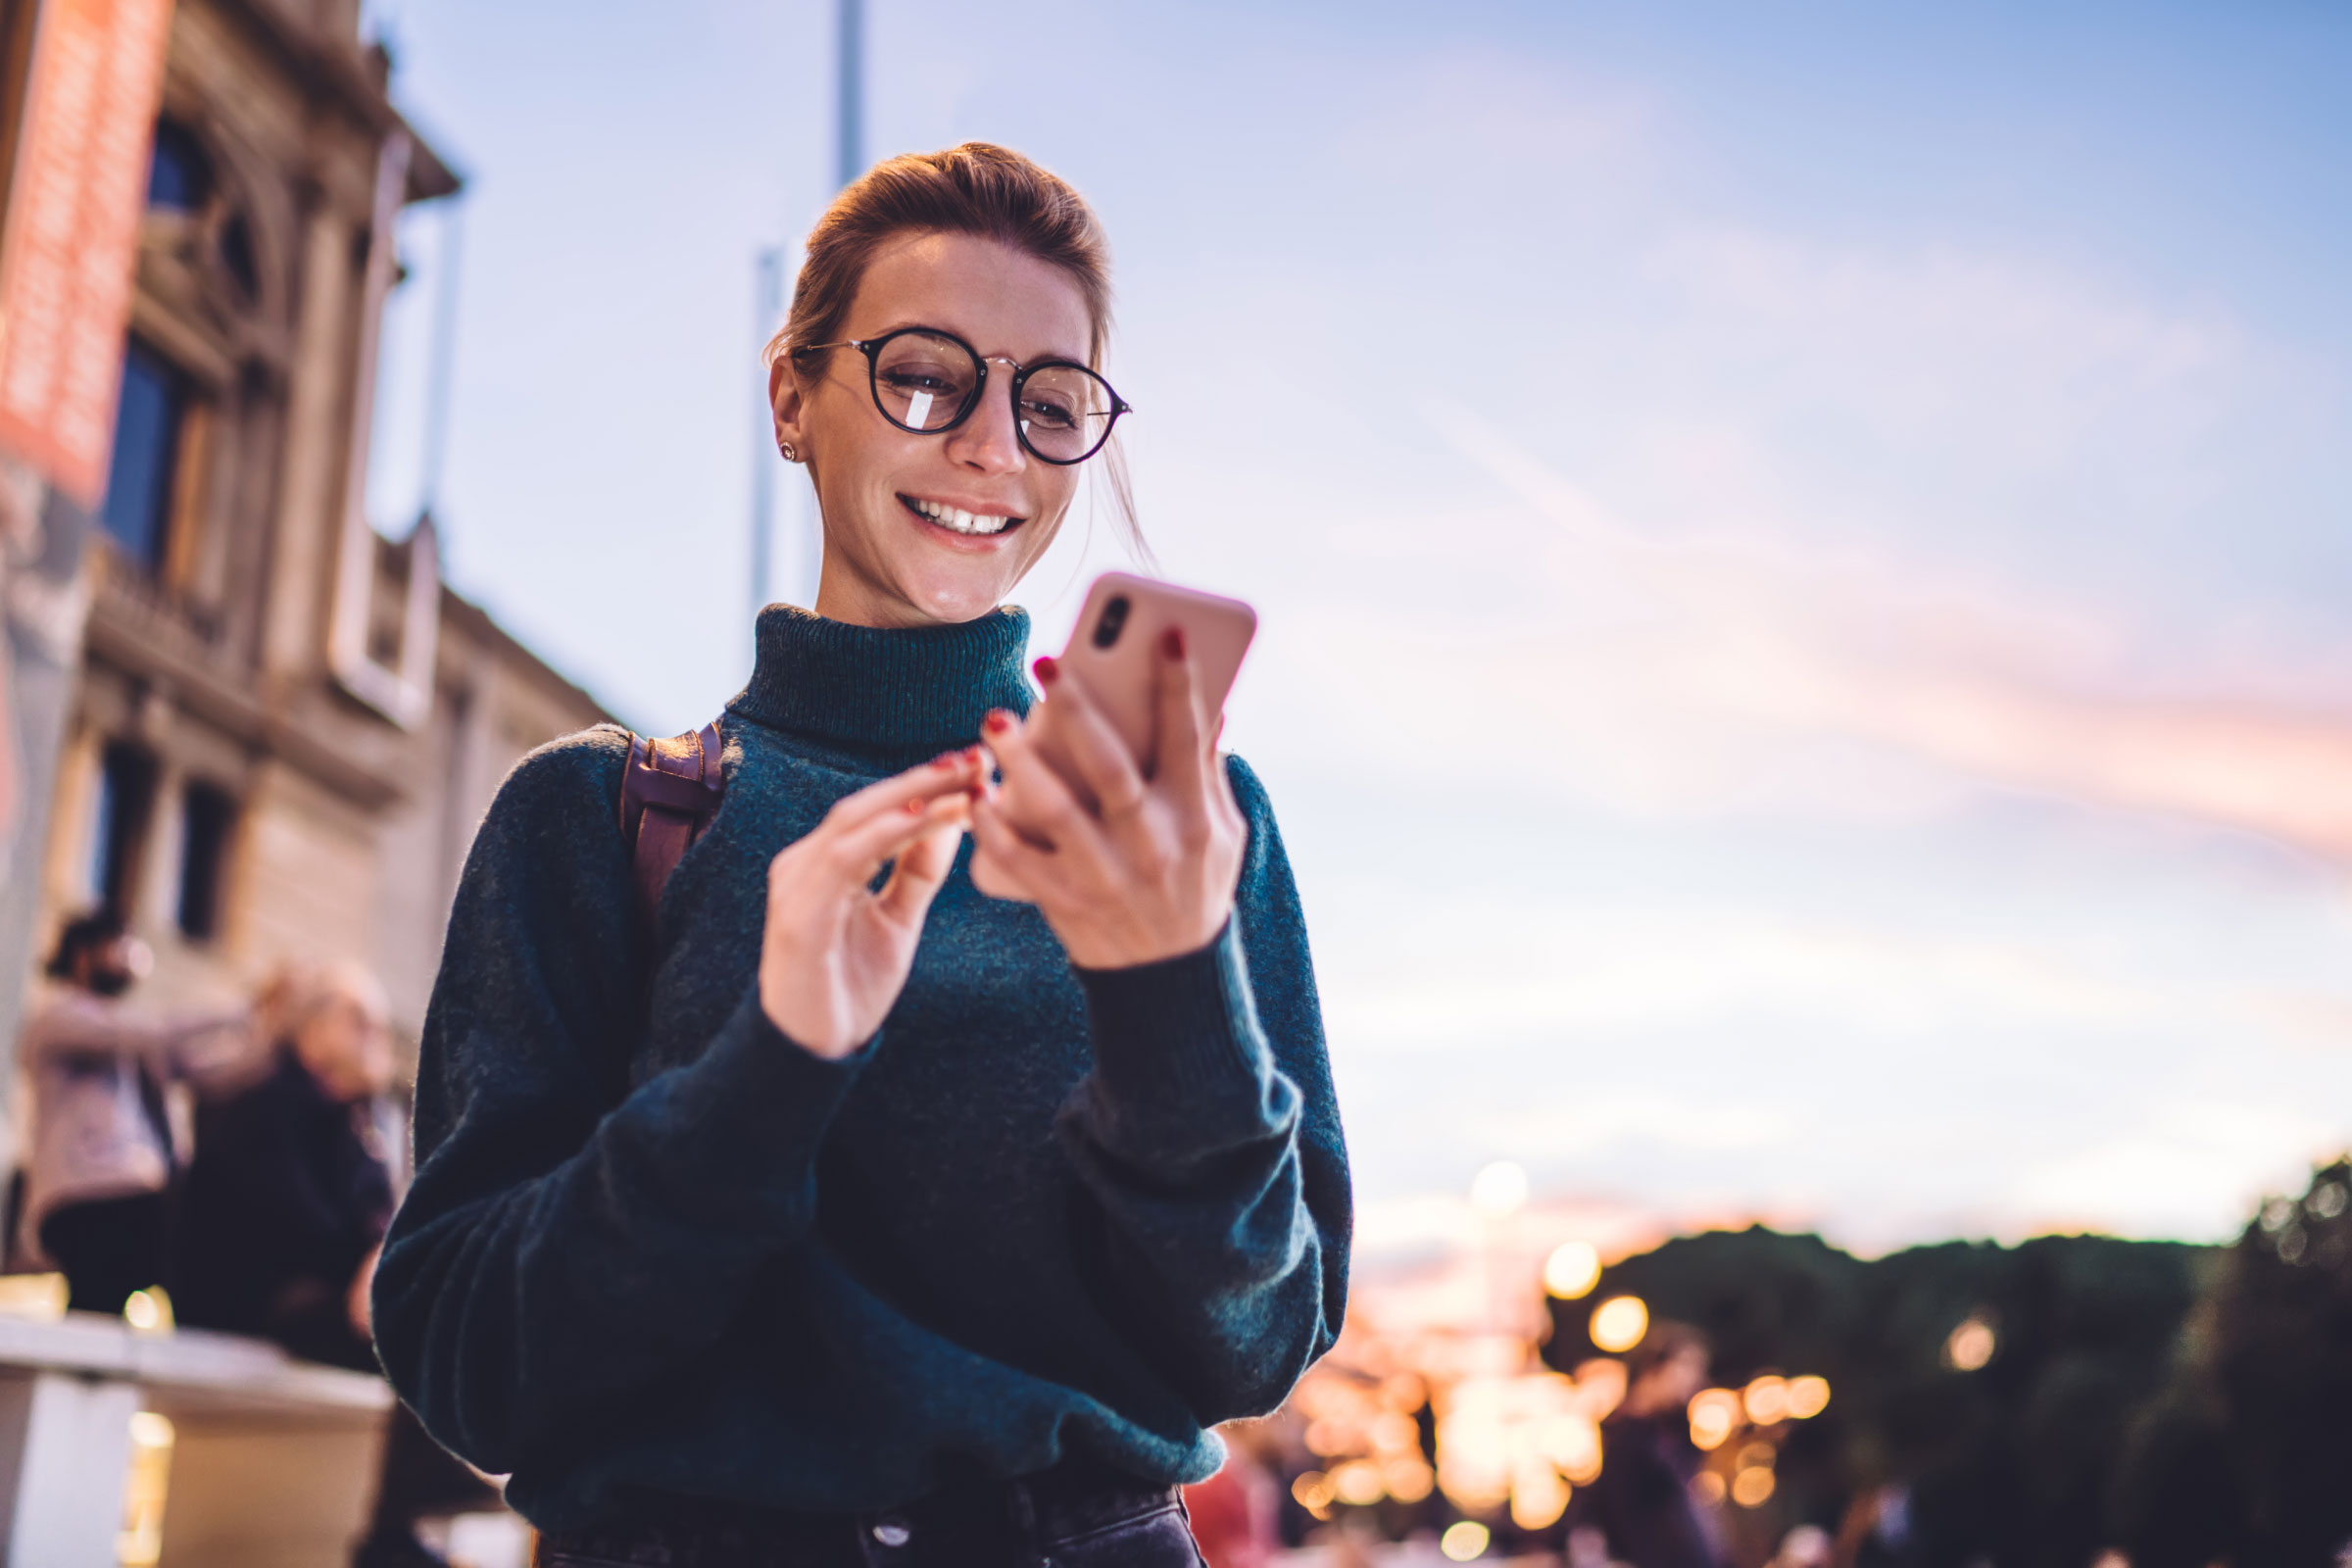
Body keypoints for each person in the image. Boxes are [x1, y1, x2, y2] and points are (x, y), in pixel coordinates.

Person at [371, 142, 1350, 1568]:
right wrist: (771, 1065)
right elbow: (474, 1369)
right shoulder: (598, 821)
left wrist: (1170, 992)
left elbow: (1254, 1344)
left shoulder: (1193, 827)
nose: (993, 447)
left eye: (1051, 401)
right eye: (925, 377)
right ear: (792, 396)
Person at [172, 960, 495, 1568]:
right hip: (246, 1299)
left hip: (318, 1298)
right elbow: (290, 1224)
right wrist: (371, 1261)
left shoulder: (354, 1122)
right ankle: (394, 1527)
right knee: (401, 1302)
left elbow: (377, 1219)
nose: (374, 1036)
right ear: (311, 1029)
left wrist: (382, 1258)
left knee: (417, 1299)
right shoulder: (262, 1100)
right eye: (357, 1021)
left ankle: (395, 1525)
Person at [14, 909, 249, 1313]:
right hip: (80, 1197)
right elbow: (151, 1032)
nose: (131, 959)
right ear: (83, 955)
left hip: (129, 1194)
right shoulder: (56, 1019)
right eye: (118, 947)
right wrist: (240, 1011)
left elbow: (208, 1073)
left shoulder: (135, 1039)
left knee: (100, 1309)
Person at [1570, 1322, 1728, 1568]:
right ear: (1654, 1369)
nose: (1696, 1380)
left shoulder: (1668, 1434)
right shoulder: (1626, 1440)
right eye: (1688, 1367)